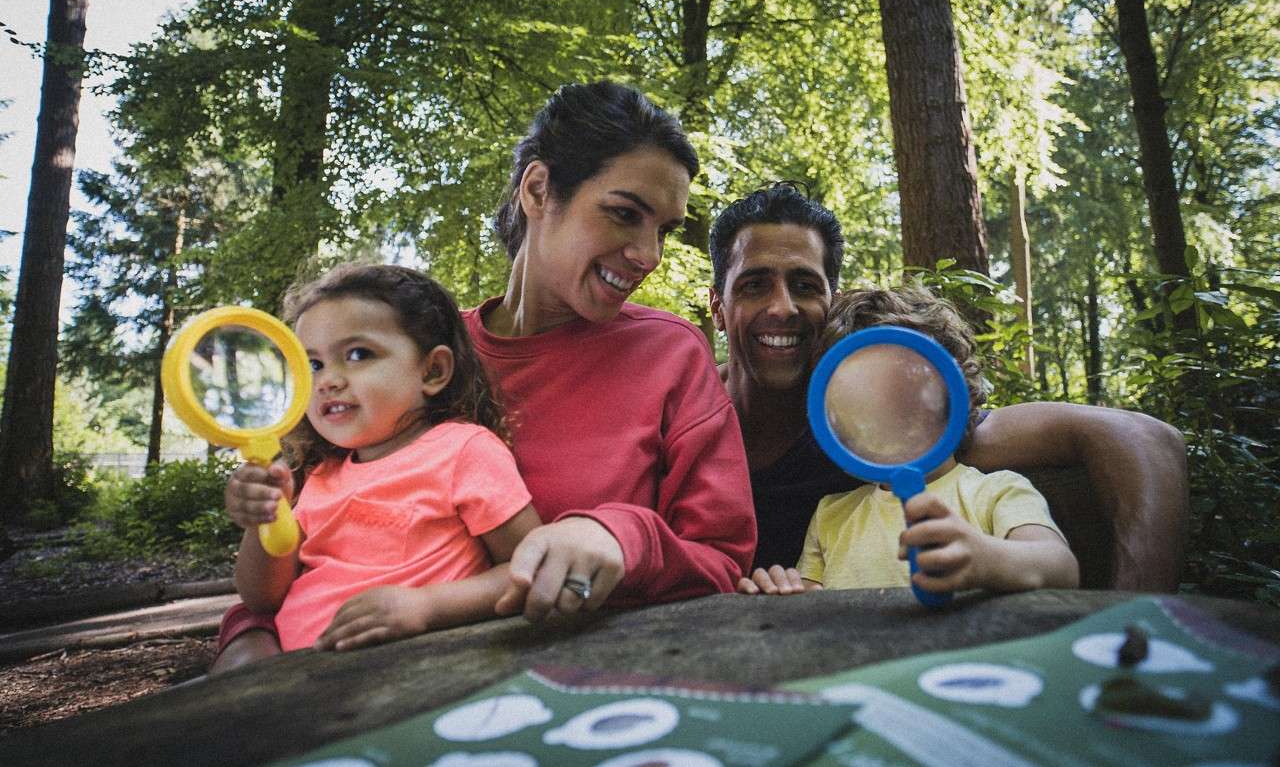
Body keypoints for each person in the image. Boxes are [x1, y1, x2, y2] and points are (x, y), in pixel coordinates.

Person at [708, 182, 1188, 592]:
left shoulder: (895, 411)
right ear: (717, 308)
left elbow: (1144, 438)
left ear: (830, 301)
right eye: (753, 285)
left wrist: (1140, 627)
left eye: (805, 286)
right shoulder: (683, 415)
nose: (783, 308)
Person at [465, 81, 756, 622]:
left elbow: (722, 560)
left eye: (664, 230)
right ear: (537, 191)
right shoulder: (426, 355)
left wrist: (621, 536)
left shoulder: (671, 355)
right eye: (625, 214)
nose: (649, 256)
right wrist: (253, 629)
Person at [212, 264, 541, 672]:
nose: (328, 380)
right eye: (312, 365)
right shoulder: (320, 477)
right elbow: (262, 598)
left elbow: (529, 568)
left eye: (357, 354)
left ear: (433, 371)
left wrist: (425, 607)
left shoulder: (464, 452)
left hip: (414, 674)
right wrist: (263, 520)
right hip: (299, 682)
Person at [740, 285, 1080, 594]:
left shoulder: (996, 492)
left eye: (906, 388)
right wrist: (785, 593)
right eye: (859, 399)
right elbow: (811, 601)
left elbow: (1060, 568)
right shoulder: (832, 514)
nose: (883, 411)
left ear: (954, 390)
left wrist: (988, 559)